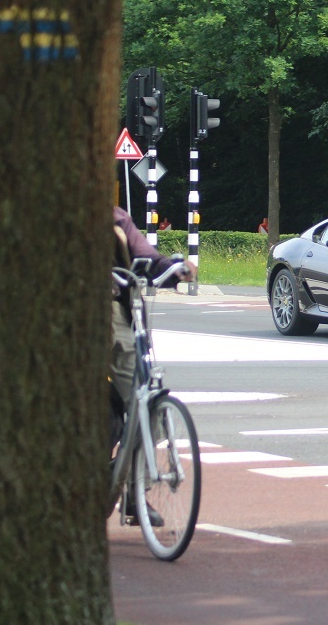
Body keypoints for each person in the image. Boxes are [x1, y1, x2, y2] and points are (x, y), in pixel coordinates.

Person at [111, 207, 194, 526]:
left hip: (120, 319)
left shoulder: (116, 219)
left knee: (147, 405)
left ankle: (134, 490)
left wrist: (173, 268)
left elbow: (144, 254)